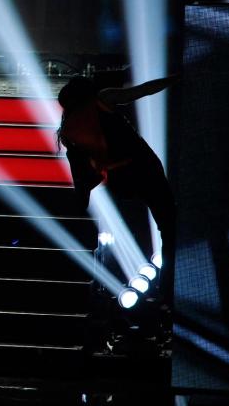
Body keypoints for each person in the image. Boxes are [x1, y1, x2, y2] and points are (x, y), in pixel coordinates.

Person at [56, 74, 177, 303]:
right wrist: (174, 80)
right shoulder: (102, 100)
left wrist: (81, 200)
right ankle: (169, 286)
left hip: (119, 180)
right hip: (143, 168)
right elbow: (144, 90)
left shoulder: (69, 129)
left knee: (127, 230)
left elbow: (81, 169)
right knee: (168, 226)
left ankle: (120, 284)